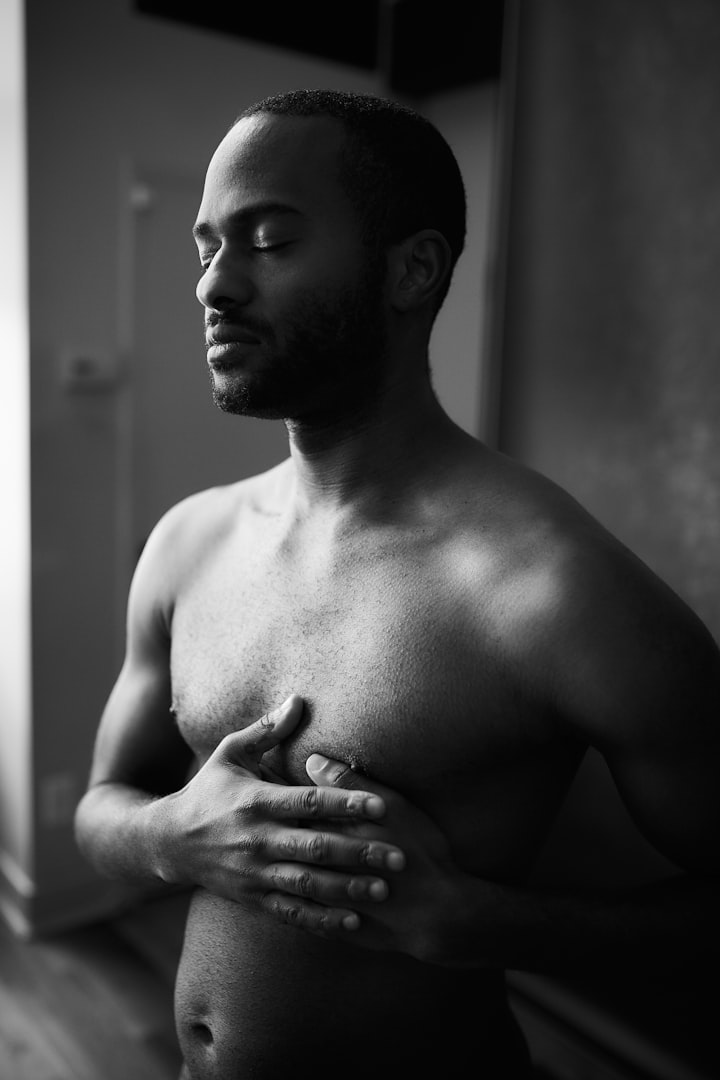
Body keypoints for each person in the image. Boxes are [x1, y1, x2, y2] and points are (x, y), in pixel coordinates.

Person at [74, 88, 720, 1080]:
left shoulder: (551, 586)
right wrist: (176, 835)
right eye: (206, 248)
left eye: (267, 241)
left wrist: (484, 923)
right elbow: (97, 811)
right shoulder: (186, 542)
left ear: (411, 269)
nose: (213, 285)